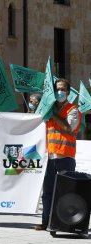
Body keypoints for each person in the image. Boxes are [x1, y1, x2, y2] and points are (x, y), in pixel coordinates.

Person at [35, 79, 81, 231]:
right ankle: (45, 221)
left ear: (68, 92)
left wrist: (53, 114)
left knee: (65, 192)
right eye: (57, 89)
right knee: (47, 192)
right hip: (50, 157)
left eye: (63, 89)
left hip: (65, 158)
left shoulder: (73, 110)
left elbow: (68, 128)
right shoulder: (49, 109)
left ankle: (64, 222)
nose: (60, 92)